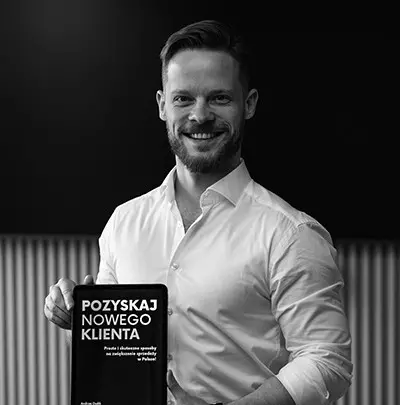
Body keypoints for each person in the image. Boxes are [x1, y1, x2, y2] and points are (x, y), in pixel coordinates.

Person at [44, 20, 353, 405]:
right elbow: (112, 355)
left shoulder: (291, 233)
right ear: (162, 105)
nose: (200, 115)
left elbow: (326, 360)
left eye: (219, 98)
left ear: (249, 104)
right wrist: (80, 319)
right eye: (183, 99)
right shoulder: (124, 222)